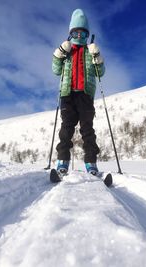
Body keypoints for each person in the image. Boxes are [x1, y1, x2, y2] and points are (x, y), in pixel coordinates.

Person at [52, 9, 105, 176]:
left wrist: (97, 56)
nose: (79, 36)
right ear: (71, 32)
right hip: (67, 95)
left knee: (87, 129)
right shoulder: (67, 50)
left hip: (85, 95)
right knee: (66, 128)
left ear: (87, 34)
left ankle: (91, 163)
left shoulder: (90, 51)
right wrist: (59, 53)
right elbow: (55, 70)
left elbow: (100, 73)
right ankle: (62, 161)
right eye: (76, 32)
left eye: (83, 33)